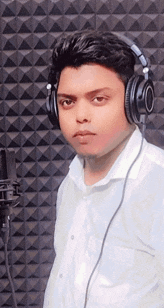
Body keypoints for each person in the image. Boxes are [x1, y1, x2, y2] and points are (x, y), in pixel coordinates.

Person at [43, 29, 164, 307]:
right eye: (67, 102)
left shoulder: (157, 185)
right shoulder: (70, 183)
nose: (81, 116)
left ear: (134, 100)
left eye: (98, 99)